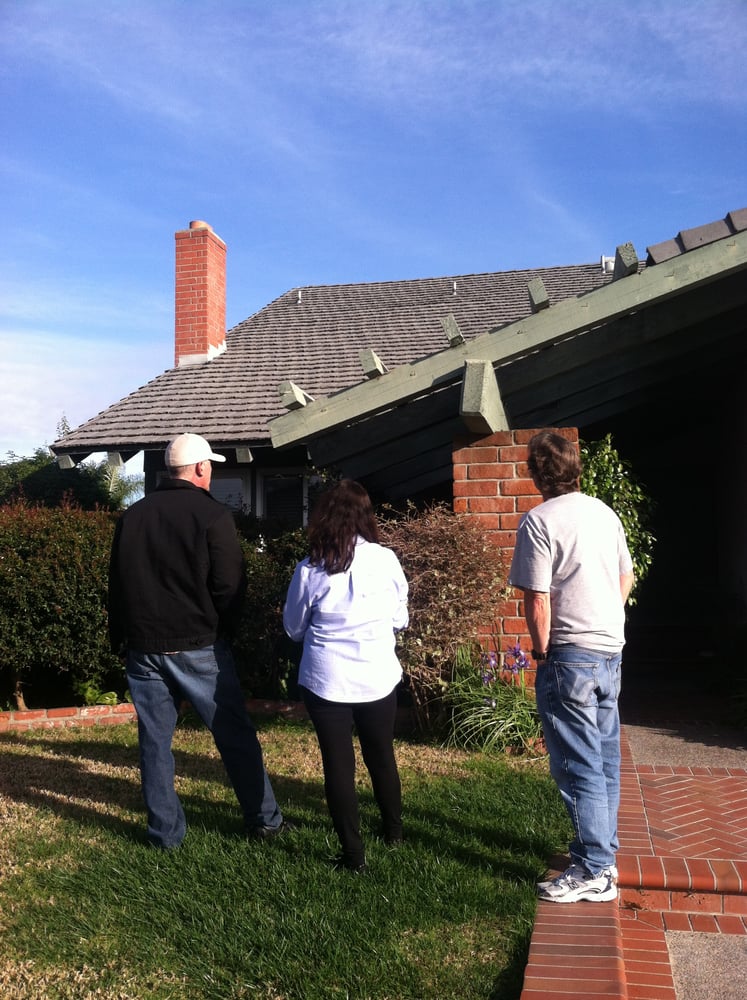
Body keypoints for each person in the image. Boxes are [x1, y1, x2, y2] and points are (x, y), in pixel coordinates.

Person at [108, 432, 290, 848]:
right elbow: (230, 586)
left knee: (154, 743)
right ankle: (265, 821)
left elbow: (116, 586)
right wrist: (227, 631)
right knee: (235, 735)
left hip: (143, 647)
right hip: (199, 645)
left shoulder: (132, 516)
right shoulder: (211, 516)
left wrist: (122, 637)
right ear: (201, 468)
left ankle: (165, 835)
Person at [508, 431, 635, 903]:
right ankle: (601, 853)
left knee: (577, 763)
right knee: (603, 760)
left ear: (536, 472)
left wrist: (542, 653)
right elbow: (627, 574)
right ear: (575, 467)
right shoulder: (605, 512)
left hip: (569, 655)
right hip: (610, 650)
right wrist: (608, 615)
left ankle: (594, 870)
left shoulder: (539, 521)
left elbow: (537, 599)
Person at [283, 480, 408, 873]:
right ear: (365, 516)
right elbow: (399, 618)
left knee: (337, 764)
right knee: (381, 755)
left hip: (326, 678)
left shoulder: (310, 568)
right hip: (376, 674)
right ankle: (394, 832)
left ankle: (353, 856)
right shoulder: (386, 560)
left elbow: (293, 628)